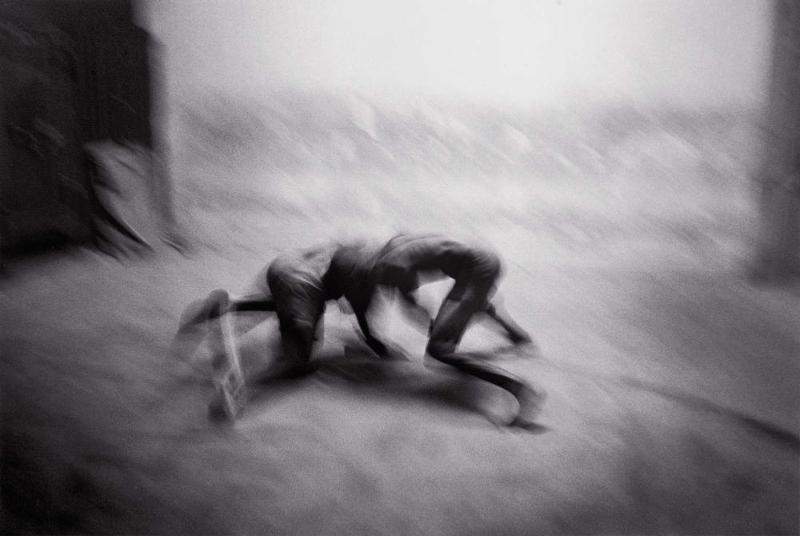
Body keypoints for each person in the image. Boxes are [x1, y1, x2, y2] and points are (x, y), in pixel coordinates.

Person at [171, 241, 389, 419]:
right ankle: (234, 388)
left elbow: (349, 304)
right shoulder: (364, 274)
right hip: (302, 285)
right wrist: (371, 340)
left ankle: (232, 303)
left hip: (285, 264)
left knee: (288, 305)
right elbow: (357, 309)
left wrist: (369, 337)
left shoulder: (354, 252)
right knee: (300, 363)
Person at [357, 233, 544, 428]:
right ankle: (518, 337)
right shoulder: (393, 248)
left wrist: (436, 329)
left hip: (477, 269)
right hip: (481, 256)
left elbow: (409, 302)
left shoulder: (385, 269)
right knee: (469, 301)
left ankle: (520, 389)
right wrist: (438, 325)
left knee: (439, 350)